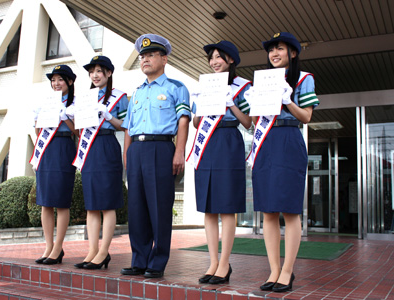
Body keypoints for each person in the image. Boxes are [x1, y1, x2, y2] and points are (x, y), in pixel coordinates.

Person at [247, 32, 319, 292]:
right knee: (267, 209)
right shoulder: (263, 81)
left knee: (289, 209)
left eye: (279, 49)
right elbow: (255, 120)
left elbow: (307, 117)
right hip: (265, 141)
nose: (274, 54)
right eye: (271, 50)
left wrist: (288, 100)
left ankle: (287, 271)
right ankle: (274, 271)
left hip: (289, 138)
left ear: (294, 53)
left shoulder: (304, 79)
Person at [120, 34, 191, 278]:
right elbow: (128, 127)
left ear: (164, 58)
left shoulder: (176, 88)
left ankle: (157, 261)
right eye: (142, 56)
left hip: (161, 149)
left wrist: (179, 151)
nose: (145, 60)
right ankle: (139, 259)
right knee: (137, 207)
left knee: (159, 206)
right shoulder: (137, 93)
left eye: (150, 55)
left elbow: (183, 121)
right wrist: (127, 155)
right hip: (136, 151)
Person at [188, 41, 252, 284]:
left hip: (228, 141)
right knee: (209, 206)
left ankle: (225, 264)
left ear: (231, 60)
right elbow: (196, 123)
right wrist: (200, 104)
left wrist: (230, 102)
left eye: (219, 57)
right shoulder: (205, 84)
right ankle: (212, 262)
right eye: (212, 58)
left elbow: (248, 122)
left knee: (226, 206)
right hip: (207, 144)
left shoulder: (243, 86)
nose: (214, 62)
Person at [72, 55, 128, 270]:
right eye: (91, 71)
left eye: (99, 71)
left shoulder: (119, 97)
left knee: (107, 202)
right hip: (89, 149)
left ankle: (104, 252)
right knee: (92, 203)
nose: (94, 75)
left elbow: (126, 125)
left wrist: (108, 116)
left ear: (109, 73)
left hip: (107, 145)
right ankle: (92, 251)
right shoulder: (84, 97)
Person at [31, 64, 78, 265]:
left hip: (64, 147)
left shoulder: (77, 102)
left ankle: (58, 247)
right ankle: (48, 246)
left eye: (60, 79)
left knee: (61, 200)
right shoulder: (45, 102)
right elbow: (37, 131)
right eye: (53, 80)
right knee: (46, 201)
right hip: (46, 150)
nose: (56, 83)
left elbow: (79, 132)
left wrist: (65, 116)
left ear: (70, 81)